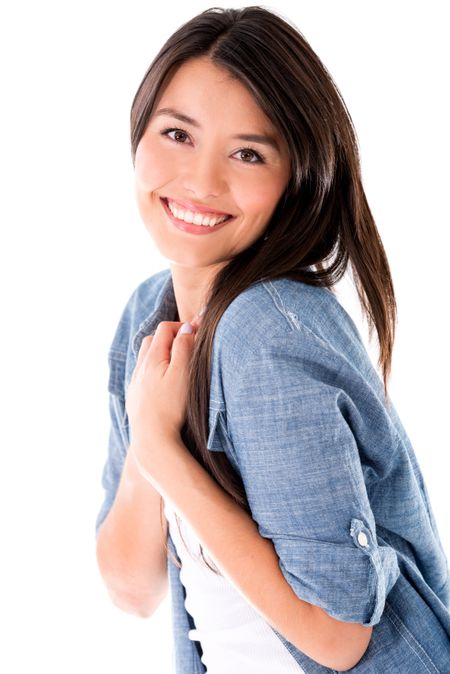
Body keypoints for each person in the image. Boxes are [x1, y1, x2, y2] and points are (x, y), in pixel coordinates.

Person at [95, 6, 450, 673]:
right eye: (177, 134)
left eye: (248, 154)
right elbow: (131, 588)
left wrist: (161, 449)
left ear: (298, 180)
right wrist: (150, 443)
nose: (201, 181)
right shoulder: (150, 315)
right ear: (138, 134)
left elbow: (338, 635)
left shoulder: (265, 334)